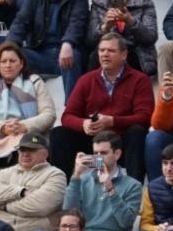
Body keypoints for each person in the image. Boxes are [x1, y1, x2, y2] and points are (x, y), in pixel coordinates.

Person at [52, 34, 152, 181]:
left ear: (124, 54)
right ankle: (61, 190)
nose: (105, 54)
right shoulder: (86, 80)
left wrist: (112, 121)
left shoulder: (140, 80)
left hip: (121, 151)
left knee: (137, 132)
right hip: (94, 153)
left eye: (111, 51)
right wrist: (83, 124)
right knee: (58, 134)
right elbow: (67, 116)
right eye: (101, 50)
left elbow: (145, 117)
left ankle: (133, 191)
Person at [0, 49, 60, 193]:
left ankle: (21, 196)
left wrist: (24, 126)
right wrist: (2, 127)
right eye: (4, 61)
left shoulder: (35, 82)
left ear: (21, 64)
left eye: (12, 61)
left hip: (27, 132)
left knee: (24, 146)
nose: (8, 65)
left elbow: (49, 115)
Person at [61, 129, 144, 231]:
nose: (99, 157)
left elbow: (126, 222)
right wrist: (76, 175)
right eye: (96, 153)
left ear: (117, 154)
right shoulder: (83, 180)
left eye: (104, 153)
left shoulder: (133, 185)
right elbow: (69, 213)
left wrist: (111, 190)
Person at [7, 0, 88, 91]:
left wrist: (68, 43)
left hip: (65, 51)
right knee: (13, 55)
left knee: (73, 57)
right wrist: (10, 46)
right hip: (39, 54)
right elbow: (20, 22)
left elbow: (77, 23)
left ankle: (70, 104)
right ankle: (10, 101)